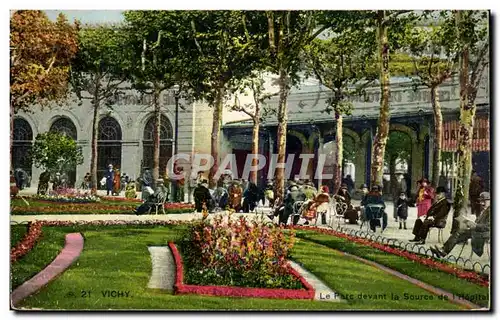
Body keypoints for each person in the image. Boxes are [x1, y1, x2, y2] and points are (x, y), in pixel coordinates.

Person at [431, 192, 490, 258]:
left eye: (484, 201)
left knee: (458, 233)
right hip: (477, 231)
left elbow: (488, 227)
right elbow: (477, 223)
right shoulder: (484, 210)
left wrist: (475, 226)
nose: (482, 203)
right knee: (458, 232)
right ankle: (443, 251)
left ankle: (443, 251)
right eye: (481, 201)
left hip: (485, 233)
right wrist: (469, 223)